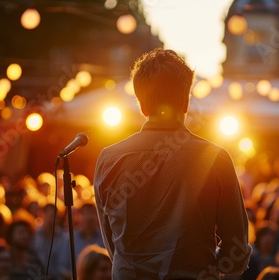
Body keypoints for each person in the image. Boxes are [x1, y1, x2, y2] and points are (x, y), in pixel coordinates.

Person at [93, 48, 252, 278]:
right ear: (186, 102)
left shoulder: (109, 159)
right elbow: (235, 252)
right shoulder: (215, 159)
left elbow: (112, 245)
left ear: (142, 106)